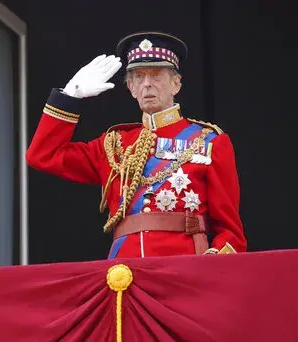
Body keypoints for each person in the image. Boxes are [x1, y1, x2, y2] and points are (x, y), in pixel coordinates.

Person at [26, 31, 247, 259]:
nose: (147, 84)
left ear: (176, 84)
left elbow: (230, 232)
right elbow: (42, 155)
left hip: (184, 271)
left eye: (156, 75)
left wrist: (210, 265)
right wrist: (71, 96)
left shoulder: (209, 141)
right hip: (125, 273)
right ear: (131, 88)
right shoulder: (114, 144)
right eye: (139, 77)